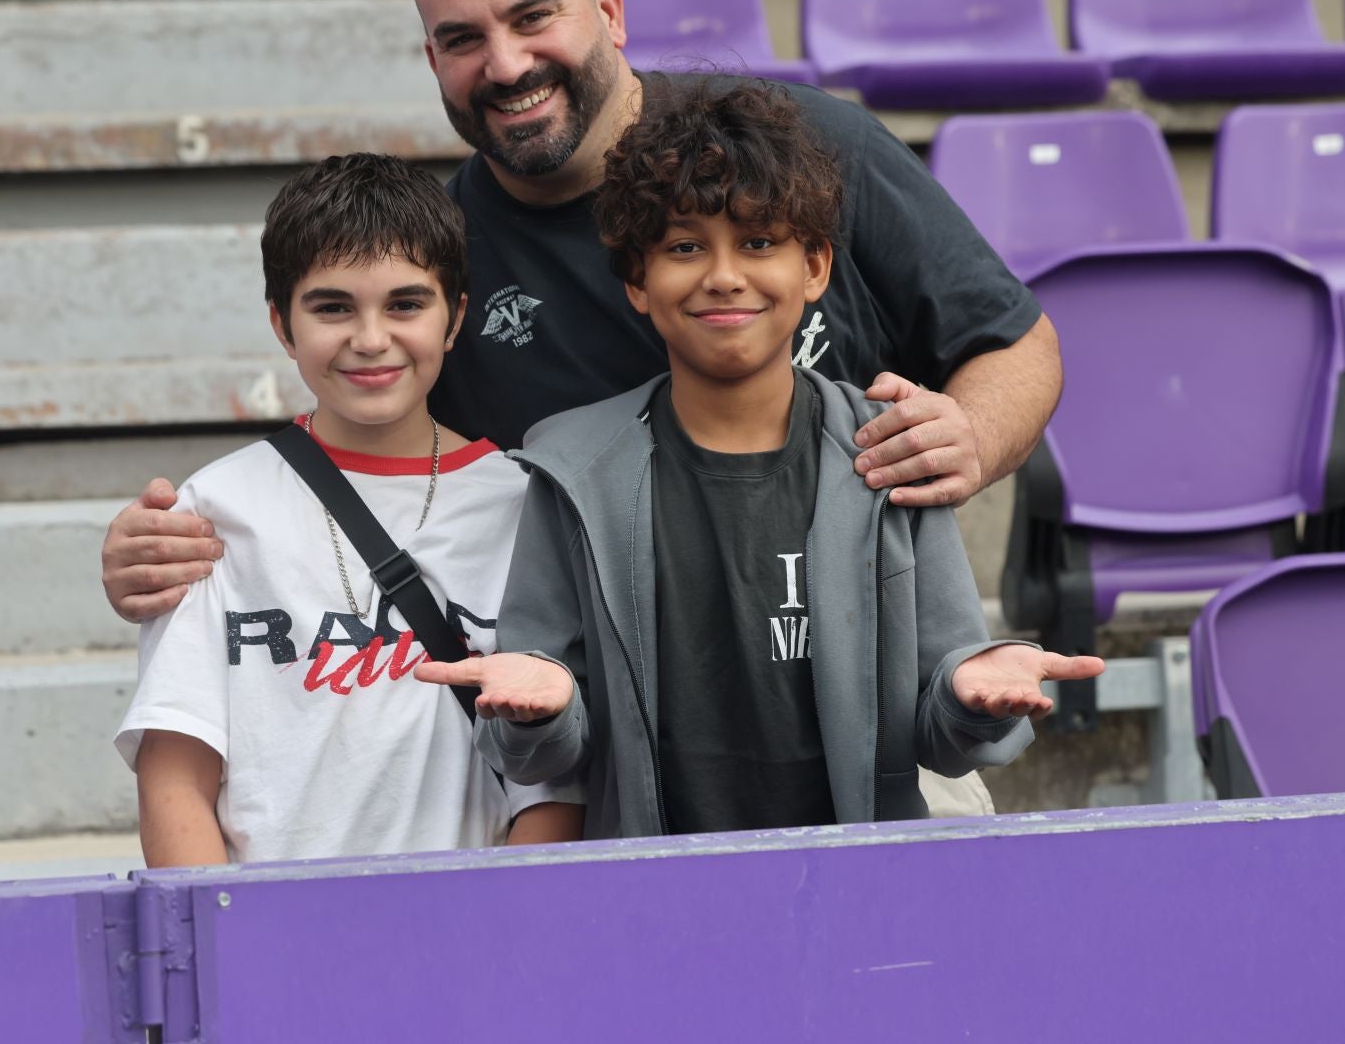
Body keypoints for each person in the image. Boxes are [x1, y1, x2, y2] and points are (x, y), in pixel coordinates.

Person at [102, 0, 1059, 621]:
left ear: (608, 9)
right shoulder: (435, 257)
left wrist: (969, 437)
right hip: (614, 713)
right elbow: (361, 470)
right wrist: (188, 543)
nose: (507, 65)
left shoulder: (805, 147)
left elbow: (1017, 344)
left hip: (869, 662)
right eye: (463, 40)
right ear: (431, 62)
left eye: (533, 18)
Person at [413, 79, 1103, 835]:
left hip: (856, 878)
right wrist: (538, 709)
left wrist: (975, 696)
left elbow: (940, 730)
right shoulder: (571, 471)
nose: (724, 276)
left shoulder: (891, 452)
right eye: (684, 247)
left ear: (815, 267)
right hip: (659, 885)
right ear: (637, 280)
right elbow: (551, 750)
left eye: (759, 242)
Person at [115, 154, 580, 866]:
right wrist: (227, 925)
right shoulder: (216, 512)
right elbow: (175, 775)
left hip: (472, 917)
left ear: (455, 317)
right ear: (282, 323)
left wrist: (503, 917)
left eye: (405, 305)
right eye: (332, 307)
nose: (370, 339)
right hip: (272, 921)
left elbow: (553, 781)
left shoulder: (524, 505)